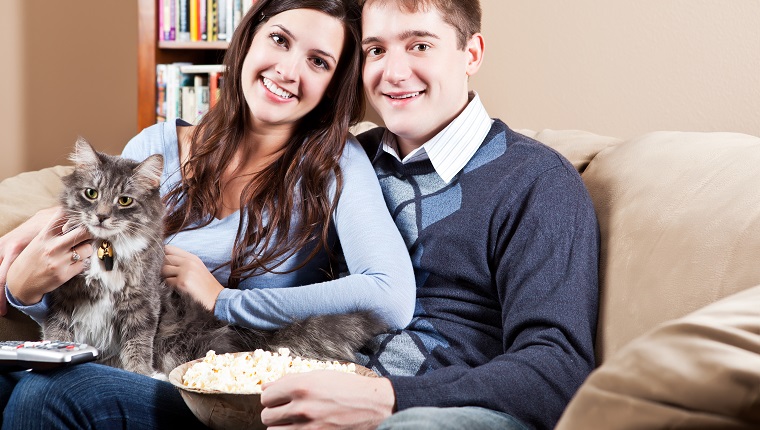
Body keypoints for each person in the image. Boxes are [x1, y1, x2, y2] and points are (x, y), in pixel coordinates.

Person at [0, 0, 415, 427]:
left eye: (318, 61)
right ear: (248, 38)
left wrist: (223, 299)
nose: (289, 71)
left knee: (45, 394)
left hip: (225, 389)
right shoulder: (154, 150)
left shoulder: (335, 162)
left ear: (333, 85)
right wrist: (23, 291)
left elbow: (390, 297)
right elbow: (98, 279)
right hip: (130, 363)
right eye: (279, 39)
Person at [255, 0, 600, 429]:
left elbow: (557, 371)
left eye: (419, 45)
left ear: (471, 53)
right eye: (376, 50)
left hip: (445, 413)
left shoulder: (537, 181)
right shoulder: (342, 160)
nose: (393, 73)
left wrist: (389, 401)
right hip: (300, 395)